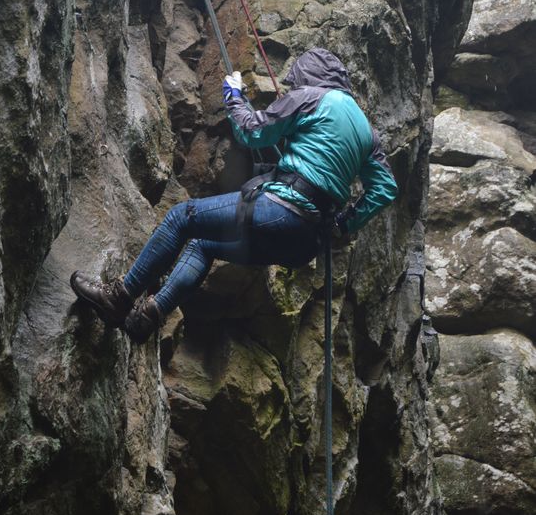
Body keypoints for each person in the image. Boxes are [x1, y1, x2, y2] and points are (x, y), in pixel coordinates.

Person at [70, 48, 397, 342]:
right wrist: (343, 224)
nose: (293, 89)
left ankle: (119, 298)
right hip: (306, 243)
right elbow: (385, 188)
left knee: (182, 217)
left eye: (296, 82)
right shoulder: (367, 131)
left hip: (281, 210)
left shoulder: (312, 96)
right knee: (202, 246)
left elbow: (251, 132)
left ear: (309, 76)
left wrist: (233, 95)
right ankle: (147, 318)